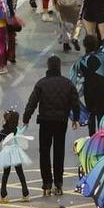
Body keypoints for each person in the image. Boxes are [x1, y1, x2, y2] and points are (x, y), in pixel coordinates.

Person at [22, 55, 81, 196]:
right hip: (61, 121)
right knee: (59, 152)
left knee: (44, 152)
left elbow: (32, 102)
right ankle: (58, 183)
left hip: (45, 121)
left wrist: (26, 118)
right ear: (59, 67)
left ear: (48, 67)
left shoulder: (41, 84)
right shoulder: (67, 83)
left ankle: (47, 183)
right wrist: (75, 118)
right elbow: (75, 102)